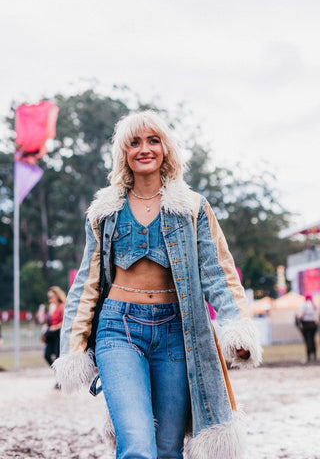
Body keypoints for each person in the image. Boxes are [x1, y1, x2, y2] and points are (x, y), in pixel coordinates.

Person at [53, 111, 262, 459]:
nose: (144, 149)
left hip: (176, 333)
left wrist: (237, 329)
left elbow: (219, 273)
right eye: (134, 142)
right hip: (118, 330)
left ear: (166, 148)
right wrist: (74, 347)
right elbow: (87, 285)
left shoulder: (192, 208)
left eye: (153, 140)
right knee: (136, 445)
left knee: (167, 450)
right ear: (124, 153)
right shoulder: (105, 211)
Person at [43, 286, 66, 371]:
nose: (49, 299)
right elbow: (48, 321)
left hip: (59, 334)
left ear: (57, 296)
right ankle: (58, 373)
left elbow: (65, 321)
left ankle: (60, 377)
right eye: (48, 297)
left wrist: (56, 327)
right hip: (51, 335)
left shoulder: (62, 306)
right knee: (47, 355)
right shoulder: (51, 307)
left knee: (58, 356)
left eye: (51, 297)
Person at [296, 294, 318, 362]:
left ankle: (308, 356)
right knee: (313, 339)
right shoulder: (314, 305)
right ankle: (314, 355)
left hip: (306, 324)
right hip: (314, 324)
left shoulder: (304, 305)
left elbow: (300, 316)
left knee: (307, 340)